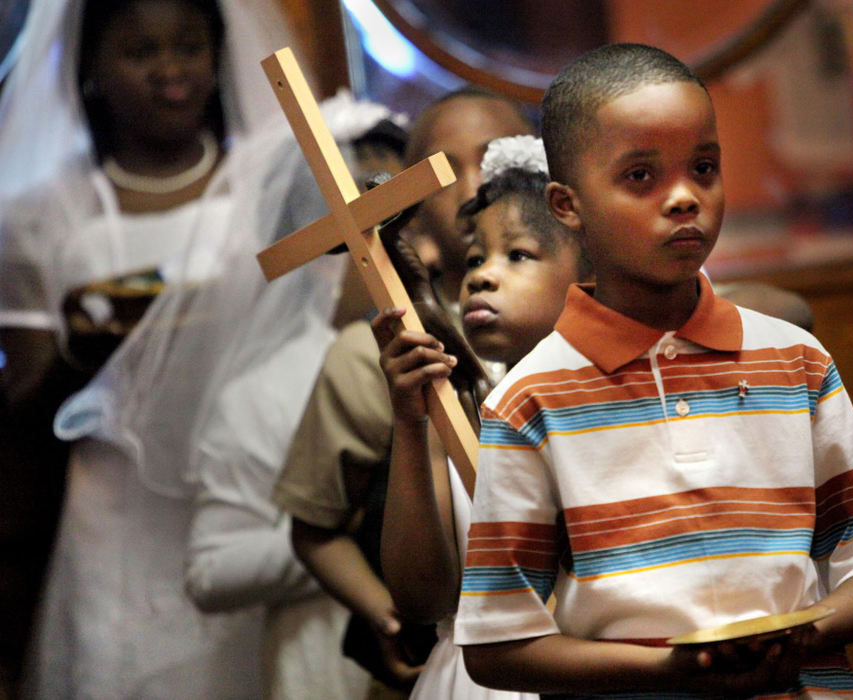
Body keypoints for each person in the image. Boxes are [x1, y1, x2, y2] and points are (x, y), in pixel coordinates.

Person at [453, 43, 853, 698]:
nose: (683, 198)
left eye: (703, 167)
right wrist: (670, 671)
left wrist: (801, 638)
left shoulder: (795, 361)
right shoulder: (529, 400)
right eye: (640, 177)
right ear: (567, 204)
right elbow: (499, 646)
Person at [0, 0, 327, 696]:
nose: (172, 71)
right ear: (90, 69)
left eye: (189, 47)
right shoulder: (37, 218)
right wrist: (80, 356)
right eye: (141, 53)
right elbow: (21, 414)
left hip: (242, 495)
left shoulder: (268, 196)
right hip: (112, 512)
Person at [271, 87, 535, 695]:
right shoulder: (374, 355)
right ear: (409, 206)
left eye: (493, 160)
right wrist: (387, 617)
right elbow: (315, 525)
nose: (472, 187)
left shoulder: (581, 324)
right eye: (446, 170)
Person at [183, 102, 410, 700]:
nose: (407, 249)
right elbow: (211, 572)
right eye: (381, 228)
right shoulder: (260, 392)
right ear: (322, 248)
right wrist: (347, 535)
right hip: (322, 654)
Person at [371, 135, 587, 699]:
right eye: (474, 259)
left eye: (517, 255)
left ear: (593, 274)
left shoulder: (616, 397)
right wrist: (413, 423)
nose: (481, 276)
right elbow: (421, 599)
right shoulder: (464, 407)